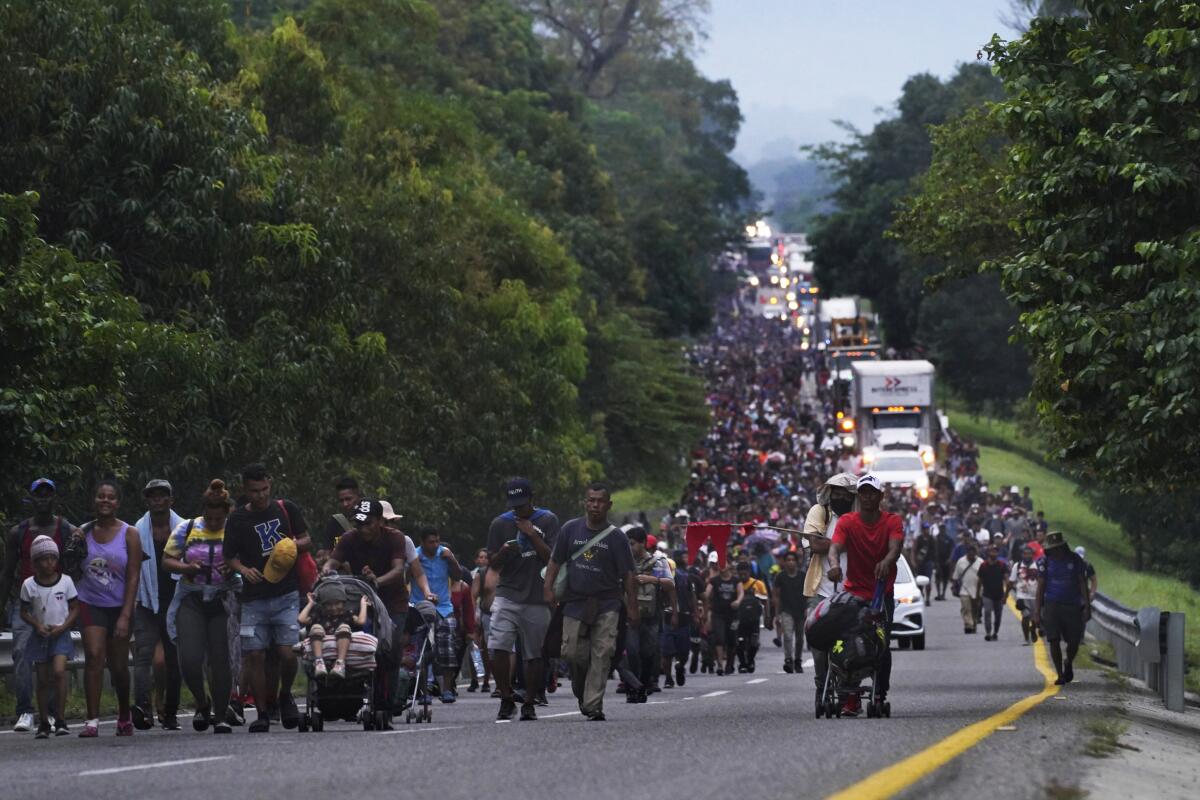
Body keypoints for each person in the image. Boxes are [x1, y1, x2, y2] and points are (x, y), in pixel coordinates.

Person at [324, 498, 433, 714]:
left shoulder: (395, 538)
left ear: (380, 521)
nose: (363, 529)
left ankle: (388, 704)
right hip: (360, 599)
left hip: (393, 601)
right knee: (356, 646)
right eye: (359, 524)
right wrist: (327, 570)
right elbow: (332, 561)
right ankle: (348, 700)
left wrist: (377, 581)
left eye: (368, 523)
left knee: (390, 651)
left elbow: (398, 569)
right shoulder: (349, 538)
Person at [222, 463, 308, 732]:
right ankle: (260, 712)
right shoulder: (237, 519)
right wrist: (243, 570)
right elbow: (229, 557)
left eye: (263, 490)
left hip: (286, 593)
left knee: (288, 653)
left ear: (270, 484)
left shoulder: (286, 509)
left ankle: (284, 695)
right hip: (253, 598)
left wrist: (288, 547)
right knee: (254, 655)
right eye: (253, 491)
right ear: (244, 490)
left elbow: (306, 539)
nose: (259, 496)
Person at [543, 483, 637, 722]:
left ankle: (593, 704)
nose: (595, 505)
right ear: (585, 502)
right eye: (591, 500)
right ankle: (582, 691)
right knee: (573, 654)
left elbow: (628, 575)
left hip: (607, 603)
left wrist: (633, 606)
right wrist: (548, 588)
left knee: (603, 652)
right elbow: (555, 561)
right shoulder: (570, 529)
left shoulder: (616, 538)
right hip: (574, 602)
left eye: (600, 501)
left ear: (609, 505)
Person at [162, 479, 238, 733]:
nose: (214, 523)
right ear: (204, 511)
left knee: (221, 660)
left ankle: (220, 715)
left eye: (219, 519)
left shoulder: (235, 530)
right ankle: (202, 702)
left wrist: (233, 568)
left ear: (227, 514)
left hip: (221, 600)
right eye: (210, 518)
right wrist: (186, 567)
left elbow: (248, 560)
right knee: (190, 658)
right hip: (192, 598)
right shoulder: (187, 528)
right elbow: (167, 560)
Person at [2, 477, 77, 733]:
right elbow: (7, 572)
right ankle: (25, 711)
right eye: (39, 494)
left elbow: (76, 560)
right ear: (31, 498)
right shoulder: (18, 532)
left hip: (56, 599)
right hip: (27, 600)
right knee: (22, 654)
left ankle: (55, 714)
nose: (43, 499)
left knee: (54, 659)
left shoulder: (64, 528)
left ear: (54, 498)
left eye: (48, 494)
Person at [826, 474, 903, 716]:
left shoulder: (892, 521)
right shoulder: (848, 522)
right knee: (847, 643)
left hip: (881, 593)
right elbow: (835, 547)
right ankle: (848, 696)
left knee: (881, 644)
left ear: (881, 496)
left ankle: (879, 692)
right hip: (853, 593)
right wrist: (834, 564)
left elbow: (896, 548)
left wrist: (887, 561)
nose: (867, 497)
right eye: (863, 493)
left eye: (872, 493)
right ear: (858, 496)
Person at [72, 479, 142, 737]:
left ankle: (124, 714)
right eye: (100, 496)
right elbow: (70, 563)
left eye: (110, 497)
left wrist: (126, 615)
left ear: (118, 503)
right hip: (90, 601)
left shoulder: (130, 533)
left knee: (119, 666)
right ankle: (92, 720)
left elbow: (134, 575)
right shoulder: (82, 532)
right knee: (93, 656)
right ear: (94, 500)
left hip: (119, 605)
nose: (105, 501)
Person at [485, 477, 558, 721]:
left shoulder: (548, 520)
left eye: (523, 504)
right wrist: (504, 552)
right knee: (497, 647)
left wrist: (533, 535)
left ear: (532, 498)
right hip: (507, 593)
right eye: (514, 505)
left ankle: (529, 701)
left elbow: (553, 558)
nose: (519, 509)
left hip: (537, 596)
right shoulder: (499, 524)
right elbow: (492, 564)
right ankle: (506, 698)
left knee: (534, 654)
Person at [131, 478, 184, 731]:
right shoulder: (136, 531)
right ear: (146, 500)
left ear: (171, 499)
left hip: (176, 600)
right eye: (152, 495)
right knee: (143, 657)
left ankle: (170, 712)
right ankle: (142, 709)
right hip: (145, 600)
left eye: (163, 495)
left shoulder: (184, 529)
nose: (157, 499)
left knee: (173, 660)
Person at [803, 472, 857, 694]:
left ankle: (849, 686)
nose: (840, 497)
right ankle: (821, 683)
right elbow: (815, 545)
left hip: (853, 591)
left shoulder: (861, 516)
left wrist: (834, 543)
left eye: (845, 494)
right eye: (836, 493)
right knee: (817, 642)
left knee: (853, 643)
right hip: (821, 590)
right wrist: (846, 542)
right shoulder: (820, 512)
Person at [19, 535, 78, 737]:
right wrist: (36, 625)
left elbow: (74, 608)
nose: (49, 563)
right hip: (40, 635)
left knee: (59, 672)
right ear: (35, 562)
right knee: (43, 679)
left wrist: (64, 627)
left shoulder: (66, 582)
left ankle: (60, 718)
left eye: (52, 558)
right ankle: (44, 721)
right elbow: (23, 611)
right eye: (44, 559)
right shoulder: (29, 585)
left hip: (60, 633)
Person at [409, 527, 463, 704]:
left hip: (444, 608)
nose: (435, 545)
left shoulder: (445, 555)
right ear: (422, 542)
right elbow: (405, 578)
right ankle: (424, 691)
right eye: (431, 542)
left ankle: (447, 689)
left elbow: (458, 576)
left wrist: (452, 560)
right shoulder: (414, 556)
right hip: (420, 607)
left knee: (447, 648)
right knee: (422, 650)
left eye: (437, 541)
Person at [1034, 531, 1091, 685]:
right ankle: (1060, 673)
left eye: (1058, 547)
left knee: (1074, 641)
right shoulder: (1044, 562)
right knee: (1053, 640)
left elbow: (1082, 583)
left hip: (1072, 605)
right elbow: (1040, 587)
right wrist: (1037, 612)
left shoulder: (1075, 560)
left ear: (1063, 546)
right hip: (1052, 605)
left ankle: (1068, 661)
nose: (1056, 551)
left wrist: (1087, 606)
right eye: (1053, 548)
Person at [625, 526, 673, 701]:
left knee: (648, 653)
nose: (630, 548)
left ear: (643, 543)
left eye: (632, 544)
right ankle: (633, 687)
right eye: (627, 544)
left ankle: (644, 685)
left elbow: (670, 584)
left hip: (651, 616)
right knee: (631, 652)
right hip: (630, 616)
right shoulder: (623, 562)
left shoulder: (658, 562)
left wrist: (652, 579)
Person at [299, 583, 368, 680]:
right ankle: (319, 662)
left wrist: (363, 604)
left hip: (343, 642)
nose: (333, 607)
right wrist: (310, 603)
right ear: (323, 605)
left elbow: (361, 621)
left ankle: (340, 663)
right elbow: (301, 619)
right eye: (329, 604)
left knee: (344, 627)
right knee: (316, 627)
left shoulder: (347, 614)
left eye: (337, 603)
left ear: (343, 603)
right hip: (321, 643)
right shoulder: (319, 615)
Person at [661, 549, 701, 687]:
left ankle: (679, 667)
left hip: (684, 617)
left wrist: (695, 614)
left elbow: (692, 597)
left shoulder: (686, 578)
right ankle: (668, 678)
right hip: (666, 618)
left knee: (683, 651)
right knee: (666, 653)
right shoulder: (661, 579)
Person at [703, 558, 743, 676]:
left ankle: (730, 663)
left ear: (729, 565)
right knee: (719, 638)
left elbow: (741, 592)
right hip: (718, 614)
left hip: (733, 614)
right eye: (718, 564)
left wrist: (738, 601)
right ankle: (720, 664)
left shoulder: (736, 580)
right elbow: (706, 593)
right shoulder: (714, 580)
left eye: (723, 563)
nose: (721, 566)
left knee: (732, 641)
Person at [772, 550, 807, 674]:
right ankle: (788, 659)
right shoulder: (780, 577)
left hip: (801, 611)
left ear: (797, 562)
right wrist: (777, 614)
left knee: (800, 639)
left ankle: (798, 660)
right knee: (787, 635)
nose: (791, 562)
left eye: (793, 560)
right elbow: (775, 595)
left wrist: (807, 608)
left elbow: (808, 593)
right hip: (786, 610)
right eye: (788, 560)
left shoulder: (803, 576)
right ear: (784, 562)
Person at [319, 477, 361, 564]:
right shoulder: (335, 522)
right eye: (341, 500)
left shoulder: (369, 521)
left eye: (348, 499)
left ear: (358, 496)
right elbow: (327, 554)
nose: (345, 504)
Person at [467, 548, 492, 693]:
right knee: (475, 647)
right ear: (476, 560)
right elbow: (472, 596)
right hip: (476, 611)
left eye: (485, 557)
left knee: (487, 648)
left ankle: (486, 680)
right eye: (480, 557)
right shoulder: (473, 574)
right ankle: (475, 678)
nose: (482, 560)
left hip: (487, 612)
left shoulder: (492, 573)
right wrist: (472, 615)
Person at [735, 561, 767, 673]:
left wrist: (767, 617)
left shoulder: (758, 584)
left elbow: (765, 601)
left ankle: (750, 660)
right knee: (739, 641)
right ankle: (742, 663)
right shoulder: (735, 584)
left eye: (745, 574)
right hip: (739, 619)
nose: (743, 576)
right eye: (740, 574)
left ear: (749, 572)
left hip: (754, 619)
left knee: (754, 642)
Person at [1009, 545, 1040, 645]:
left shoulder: (1038, 566)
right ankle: (1026, 638)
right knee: (1025, 616)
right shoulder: (1017, 566)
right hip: (1022, 596)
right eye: (1025, 554)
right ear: (1022, 555)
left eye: (1029, 554)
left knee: (1035, 619)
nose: (1027, 556)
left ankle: (1033, 629)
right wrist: (1006, 595)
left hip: (1035, 596)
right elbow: (1011, 581)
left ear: (1032, 555)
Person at [977, 545, 1008, 641]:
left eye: (995, 552)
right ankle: (988, 632)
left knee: (998, 615)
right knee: (987, 612)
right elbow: (980, 581)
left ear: (998, 553)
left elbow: (1006, 579)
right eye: (991, 551)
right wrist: (978, 594)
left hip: (999, 594)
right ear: (988, 553)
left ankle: (995, 632)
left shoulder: (1002, 565)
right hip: (987, 594)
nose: (993, 553)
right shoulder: (983, 565)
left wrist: (1006, 595)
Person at [952, 543, 982, 634]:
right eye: (970, 552)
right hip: (964, 589)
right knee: (966, 608)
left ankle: (974, 623)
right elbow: (956, 576)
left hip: (977, 590)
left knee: (975, 609)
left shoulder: (981, 562)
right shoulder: (961, 561)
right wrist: (954, 586)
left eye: (973, 552)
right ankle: (968, 625)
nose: (972, 554)